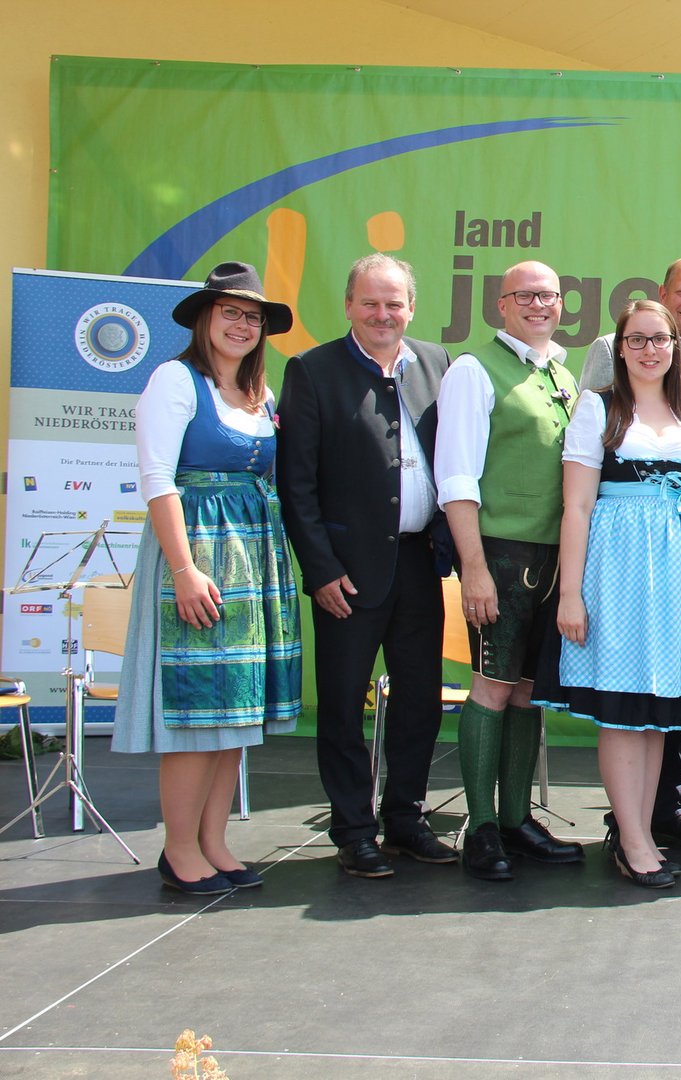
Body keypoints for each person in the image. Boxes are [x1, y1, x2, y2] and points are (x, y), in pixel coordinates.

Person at [112, 262, 302, 895]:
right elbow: (157, 480)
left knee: (234, 711)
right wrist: (184, 570)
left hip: (252, 557)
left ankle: (214, 842)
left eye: (253, 317)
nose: (242, 325)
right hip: (198, 553)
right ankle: (178, 849)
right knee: (198, 713)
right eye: (231, 313)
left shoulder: (258, 395)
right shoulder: (175, 380)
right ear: (204, 318)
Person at [279, 253, 457, 879]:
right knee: (342, 703)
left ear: (412, 307)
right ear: (350, 306)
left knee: (420, 702)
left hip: (418, 563)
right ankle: (354, 830)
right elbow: (296, 484)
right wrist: (321, 570)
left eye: (394, 304)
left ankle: (406, 818)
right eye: (371, 303)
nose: (383, 315)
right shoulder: (312, 370)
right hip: (347, 573)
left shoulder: (437, 363)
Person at [554, 300, 681, 889]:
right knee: (625, 711)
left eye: (660, 339)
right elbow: (577, 506)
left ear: (676, 347)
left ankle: (644, 832)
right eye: (637, 339)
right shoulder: (598, 409)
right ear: (620, 348)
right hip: (619, 570)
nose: (649, 350)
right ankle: (630, 839)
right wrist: (571, 594)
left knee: (657, 714)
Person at [434, 260, 587, 881]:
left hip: (554, 559)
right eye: (524, 295)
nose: (538, 305)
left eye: (548, 295)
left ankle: (517, 820)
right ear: (501, 304)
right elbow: (456, 476)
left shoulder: (563, 374)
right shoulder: (473, 371)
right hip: (499, 553)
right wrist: (473, 567)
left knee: (527, 690)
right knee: (492, 686)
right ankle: (481, 828)